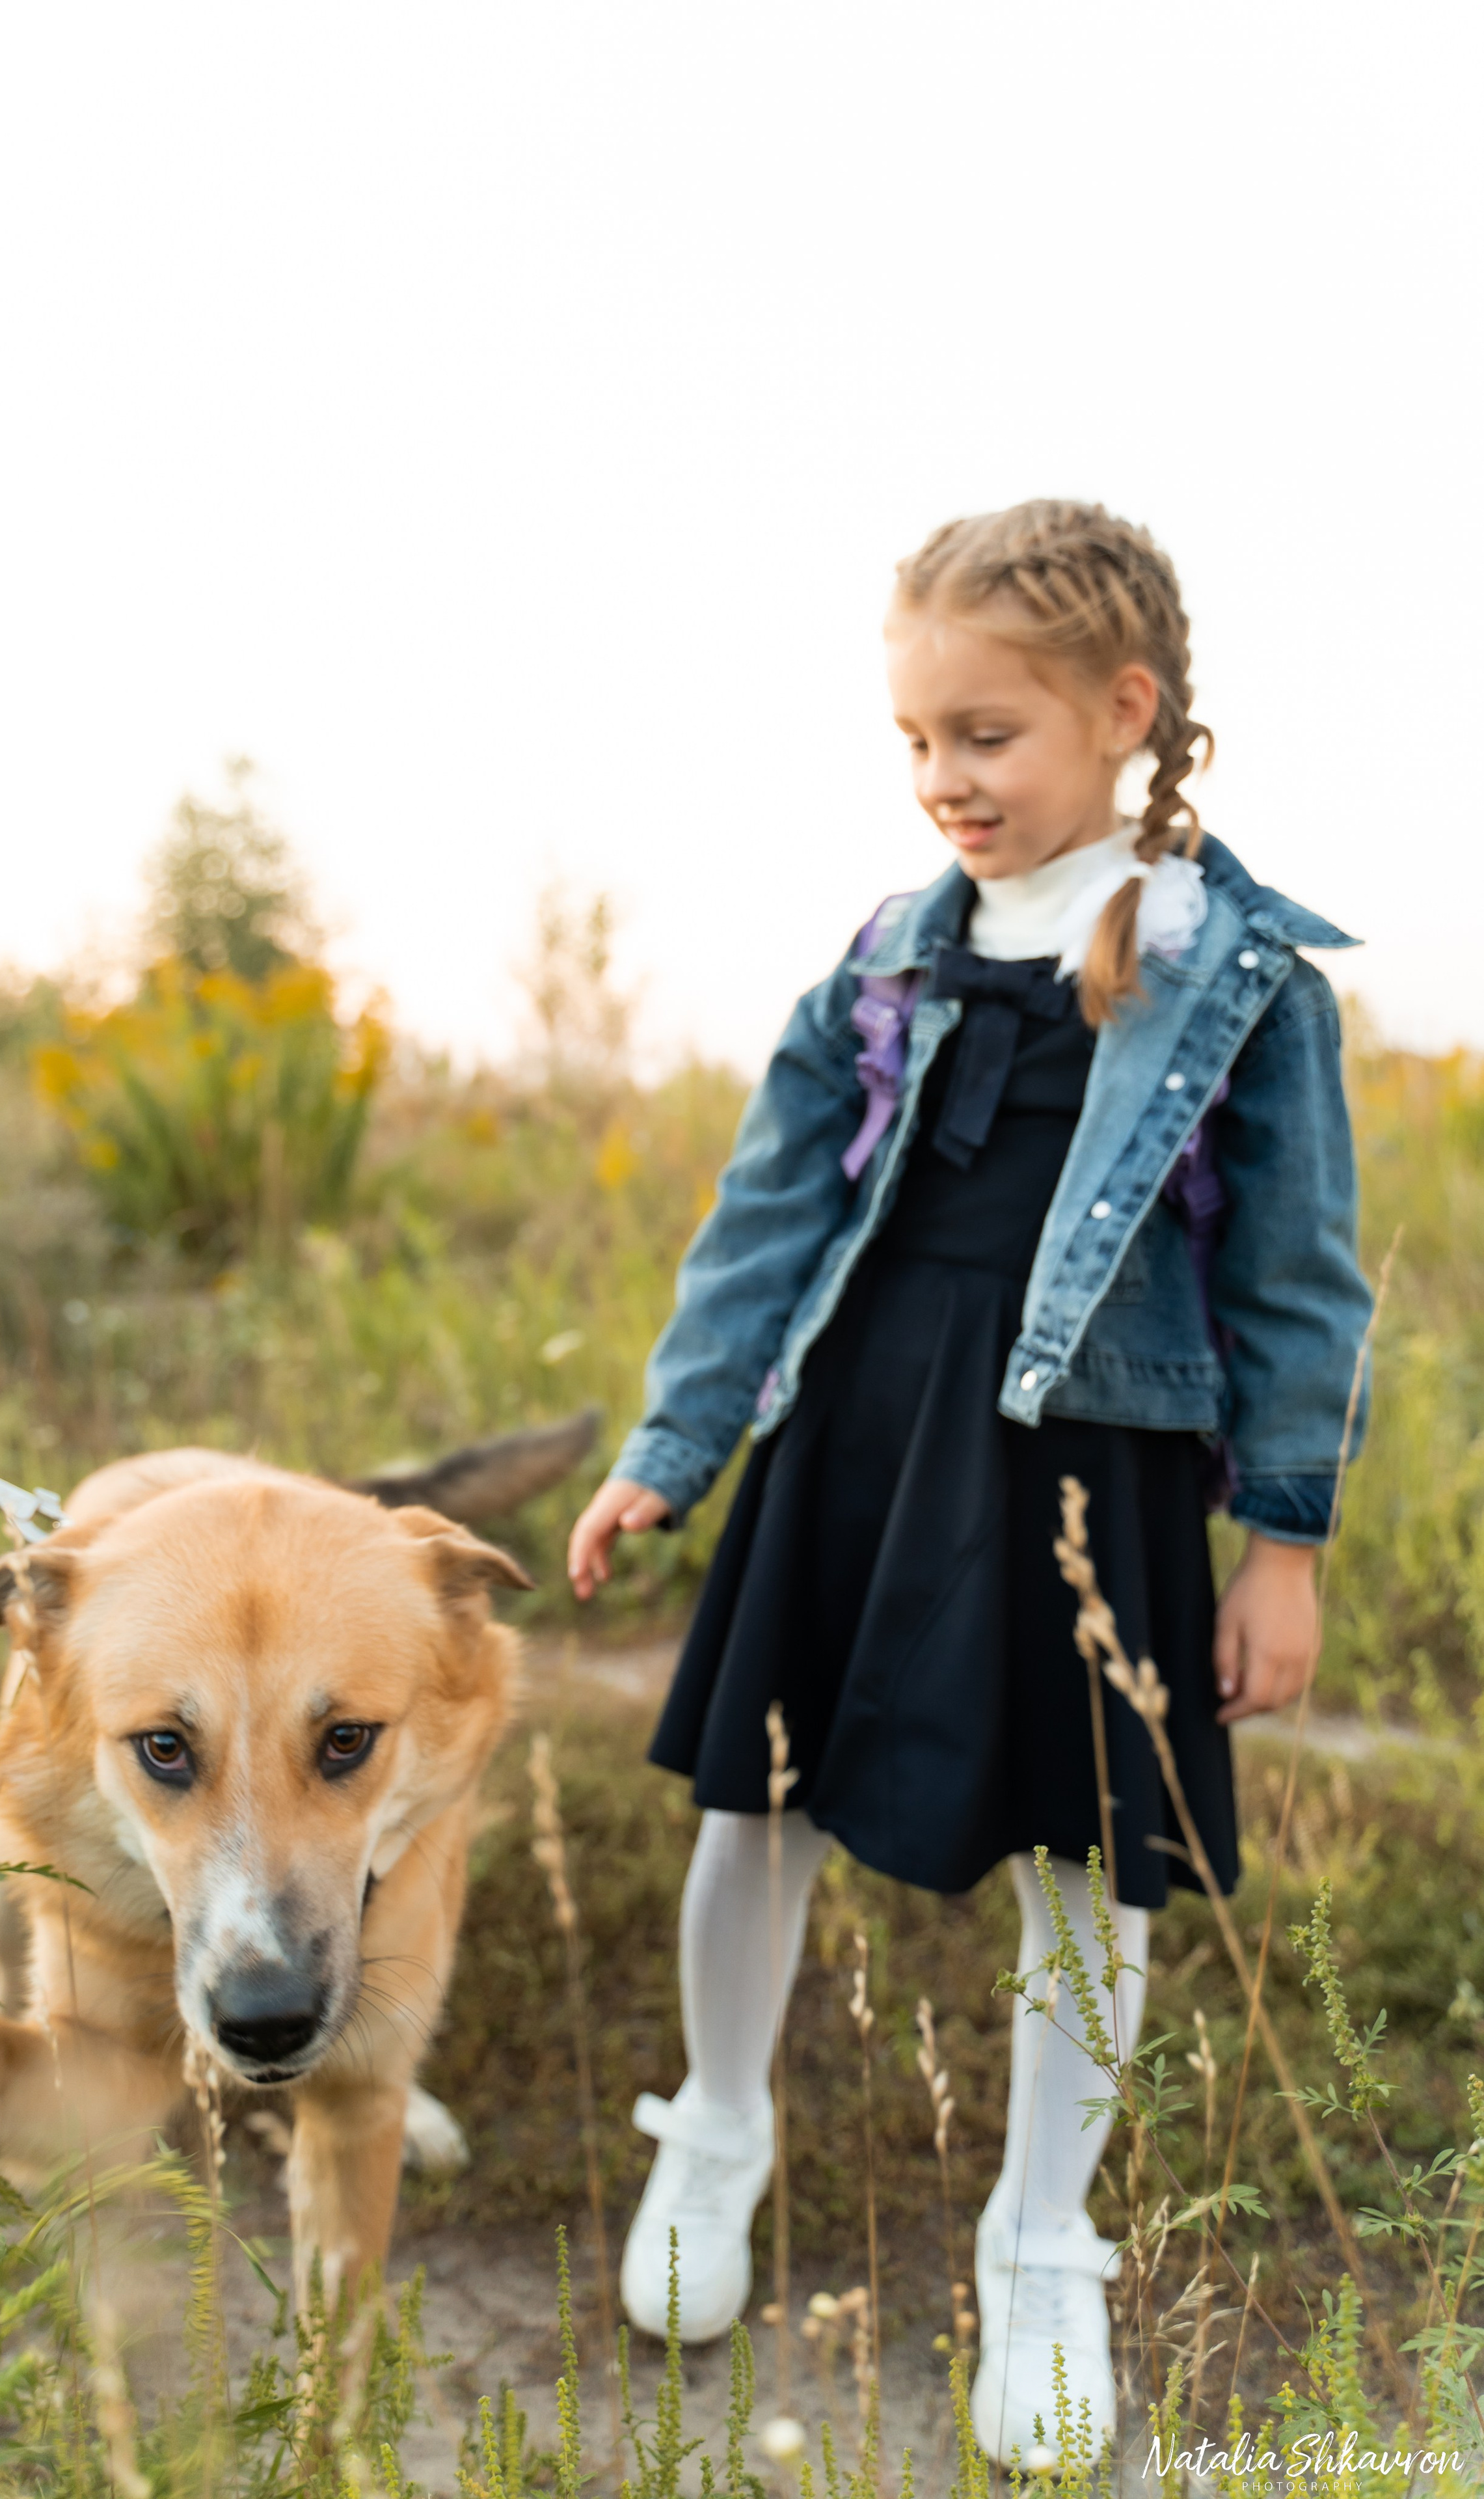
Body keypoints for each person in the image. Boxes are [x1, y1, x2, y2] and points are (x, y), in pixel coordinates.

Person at [566, 499, 1373, 2470]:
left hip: (1093, 1455)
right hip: (855, 1425)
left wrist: (1284, 1542)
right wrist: (676, 1446)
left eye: (987, 735)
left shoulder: (1238, 981)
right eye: (918, 739)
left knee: (1090, 1853)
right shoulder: (886, 958)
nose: (945, 777)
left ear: (1126, 712)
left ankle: (1041, 2241)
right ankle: (717, 2129)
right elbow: (767, 1218)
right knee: (756, 1793)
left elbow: (1298, 1282)